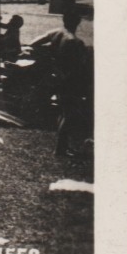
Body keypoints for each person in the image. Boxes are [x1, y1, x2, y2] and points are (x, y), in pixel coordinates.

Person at [33, 12, 93, 156]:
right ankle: (60, 148)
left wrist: (50, 58)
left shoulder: (56, 33)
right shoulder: (75, 42)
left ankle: (62, 147)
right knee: (69, 114)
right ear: (78, 22)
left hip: (57, 76)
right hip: (70, 80)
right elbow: (80, 66)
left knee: (63, 111)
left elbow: (34, 43)